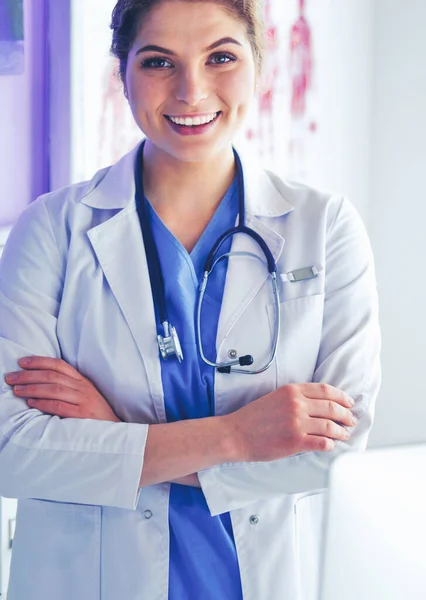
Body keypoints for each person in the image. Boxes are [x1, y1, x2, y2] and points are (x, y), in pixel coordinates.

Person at [0, 1, 381, 599]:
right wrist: (237, 436)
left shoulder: (324, 226)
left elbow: (338, 447)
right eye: (158, 62)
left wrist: (117, 435)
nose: (191, 90)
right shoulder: (51, 229)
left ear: (258, 64)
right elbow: (12, 450)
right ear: (121, 72)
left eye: (221, 57)